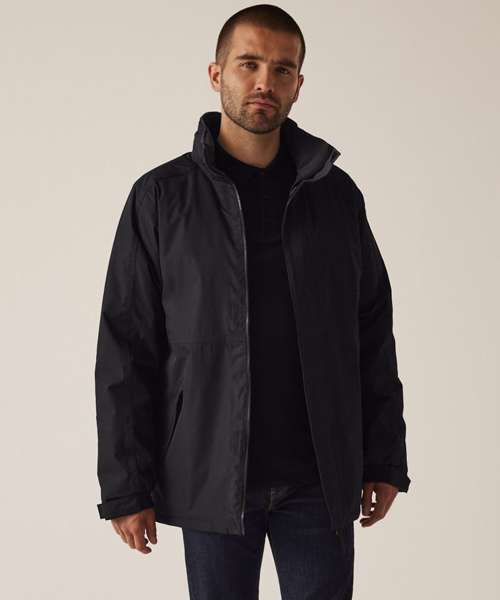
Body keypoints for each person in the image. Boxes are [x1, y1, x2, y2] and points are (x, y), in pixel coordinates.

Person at [94, 4, 411, 599]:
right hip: (210, 475)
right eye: (249, 64)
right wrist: (125, 486)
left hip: (320, 477)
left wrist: (384, 458)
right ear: (217, 74)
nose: (265, 81)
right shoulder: (161, 198)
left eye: (281, 69)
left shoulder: (335, 196)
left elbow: (371, 330)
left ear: (298, 85)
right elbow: (126, 346)